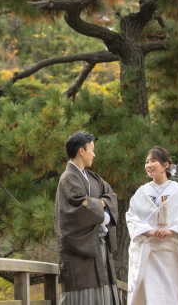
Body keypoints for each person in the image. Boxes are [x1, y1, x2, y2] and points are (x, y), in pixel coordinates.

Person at [54, 131, 121, 305]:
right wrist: (102, 206)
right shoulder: (67, 178)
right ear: (81, 151)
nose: (94, 154)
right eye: (92, 149)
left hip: (99, 246)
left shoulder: (94, 178)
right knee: (82, 295)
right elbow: (79, 207)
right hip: (80, 251)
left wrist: (101, 205)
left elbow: (111, 196)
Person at [126, 146, 178, 305]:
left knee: (173, 296)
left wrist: (172, 231)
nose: (149, 165)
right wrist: (148, 231)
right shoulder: (141, 193)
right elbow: (131, 217)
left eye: (153, 161)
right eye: (147, 162)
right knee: (151, 295)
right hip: (149, 254)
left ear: (166, 165)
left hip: (172, 254)